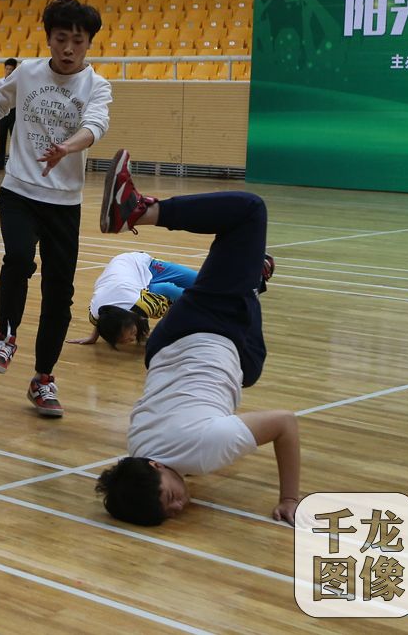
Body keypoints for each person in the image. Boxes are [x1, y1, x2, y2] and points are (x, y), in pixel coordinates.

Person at [94, 150, 293, 525]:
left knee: (250, 211)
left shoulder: (207, 450)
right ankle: (252, 278)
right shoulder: (137, 450)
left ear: (153, 465)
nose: (177, 506)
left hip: (205, 329)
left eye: (168, 497)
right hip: (166, 349)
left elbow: (286, 423)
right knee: (250, 367)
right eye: (169, 511)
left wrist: (290, 498)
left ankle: (137, 210)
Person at [0, 0, 112, 417]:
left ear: (88, 44)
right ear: (48, 39)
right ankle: (5, 337)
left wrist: (65, 148)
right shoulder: (27, 71)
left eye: (78, 41)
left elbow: (94, 127)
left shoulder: (97, 86)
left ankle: (43, 378)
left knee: (59, 294)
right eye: (61, 38)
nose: (68, 48)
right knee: (16, 257)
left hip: (64, 204)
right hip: (19, 192)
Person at [67, 252, 199, 348]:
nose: (132, 338)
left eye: (131, 333)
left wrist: (167, 335)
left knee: (201, 286)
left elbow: (168, 299)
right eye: (124, 341)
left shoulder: (143, 305)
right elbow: (100, 321)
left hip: (142, 265)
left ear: (130, 318)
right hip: (130, 283)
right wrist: (93, 338)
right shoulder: (96, 314)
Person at [0, 58, 18, 170]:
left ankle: (14, 164)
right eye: (7, 69)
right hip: (3, 112)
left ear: (14, 70)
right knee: (1, 138)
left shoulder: (18, 83)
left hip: (14, 112)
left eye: (11, 69)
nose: (8, 71)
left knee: (14, 139)